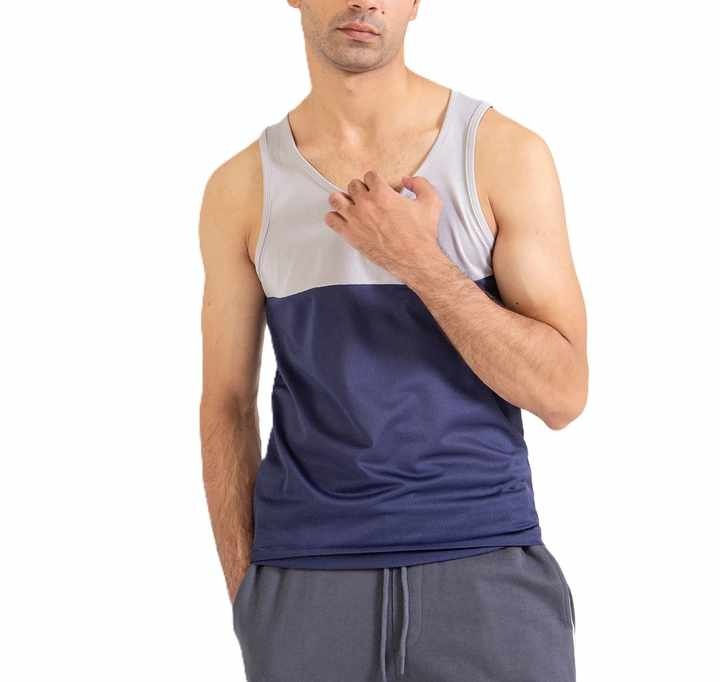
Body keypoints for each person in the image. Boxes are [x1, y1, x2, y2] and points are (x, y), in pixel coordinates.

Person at [198, 1, 587, 680]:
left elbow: (562, 394)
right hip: (305, 585)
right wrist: (249, 596)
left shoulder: (502, 155)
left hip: (487, 567)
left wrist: (418, 261)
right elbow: (226, 402)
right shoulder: (243, 187)